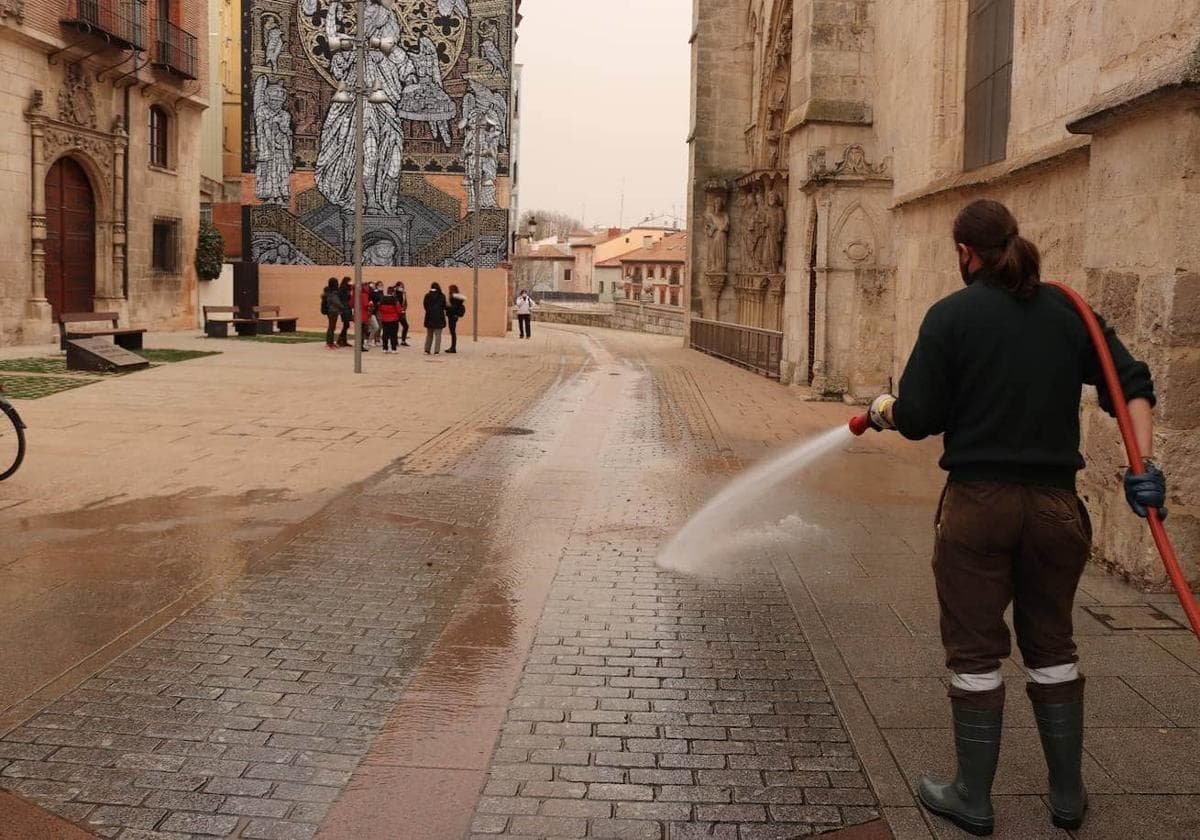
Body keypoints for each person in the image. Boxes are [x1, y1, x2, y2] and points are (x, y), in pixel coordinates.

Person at [865, 199, 1163, 837]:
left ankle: (972, 796)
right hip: (1056, 509)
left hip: (978, 507)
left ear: (966, 254)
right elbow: (1132, 383)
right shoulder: (1067, 312)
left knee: (975, 650)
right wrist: (1145, 465)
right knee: (1052, 643)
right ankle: (1067, 796)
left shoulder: (950, 316)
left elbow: (918, 418)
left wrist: (886, 408)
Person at [423, 282, 447, 355]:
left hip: (429, 317)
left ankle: (427, 350)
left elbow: (425, 305)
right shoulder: (442, 296)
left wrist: (429, 311)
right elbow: (444, 306)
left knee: (429, 335)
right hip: (439, 317)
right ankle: (436, 351)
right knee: (438, 335)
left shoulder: (427, 295)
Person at [321, 277, 344, 349]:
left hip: (332, 311)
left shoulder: (329, 291)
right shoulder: (333, 292)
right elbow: (336, 301)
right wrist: (342, 306)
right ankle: (329, 343)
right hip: (333, 311)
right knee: (331, 327)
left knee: (332, 327)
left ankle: (330, 342)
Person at [377, 286, 402, 353]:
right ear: (393, 292)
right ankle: (393, 349)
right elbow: (399, 310)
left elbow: (379, 308)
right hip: (393, 319)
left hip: (385, 319)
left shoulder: (382, 299)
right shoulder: (394, 299)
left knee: (385, 334)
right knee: (393, 334)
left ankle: (385, 348)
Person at [445, 284, 467, 353]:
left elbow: (453, 307)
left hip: (452, 316)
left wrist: (447, 306)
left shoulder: (454, 298)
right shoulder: (458, 297)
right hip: (455, 316)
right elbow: (463, 298)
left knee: (453, 332)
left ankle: (453, 348)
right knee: (453, 332)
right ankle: (453, 347)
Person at [337, 277, 354, 347]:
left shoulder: (348, 289)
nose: (350, 282)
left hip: (348, 308)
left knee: (346, 325)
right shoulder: (342, 289)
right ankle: (340, 340)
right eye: (349, 281)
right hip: (344, 309)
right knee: (346, 325)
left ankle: (343, 340)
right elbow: (341, 299)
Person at [358, 279, 373, 352]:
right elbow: (365, 304)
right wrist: (370, 304)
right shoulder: (364, 294)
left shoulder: (360, 293)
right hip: (363, 314)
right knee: (363, 330)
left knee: (362, 330)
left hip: (360, 313)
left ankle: (360, 345)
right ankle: (360, 345)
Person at [396, 281, 410, 346]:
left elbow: (405, 302)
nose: (402, 287)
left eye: (402, 286)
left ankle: (403, 341)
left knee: (406, 326)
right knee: (395, 327)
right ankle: (395, 341)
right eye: (400, 286)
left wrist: (404, 308)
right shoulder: (395, 294)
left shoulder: (404, 294)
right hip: (396, 312)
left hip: (402, 313)